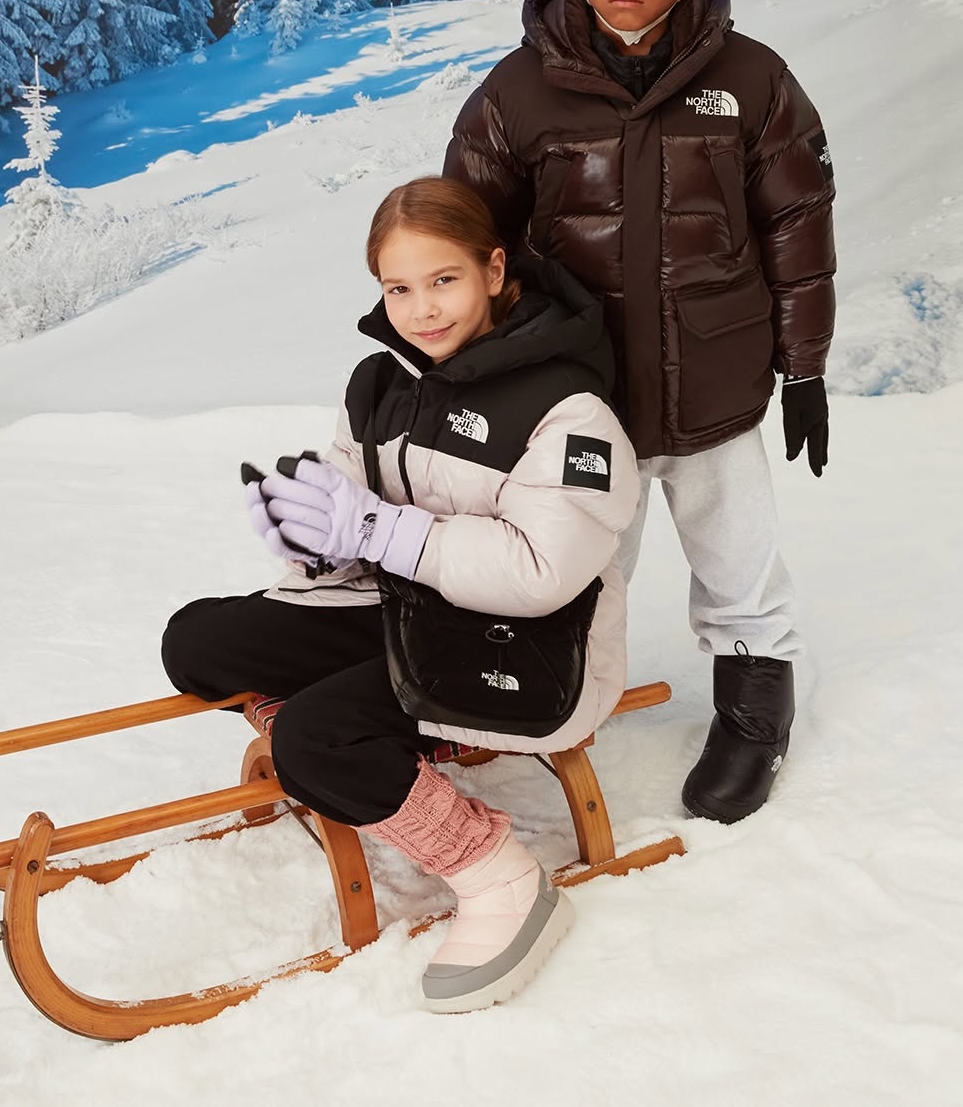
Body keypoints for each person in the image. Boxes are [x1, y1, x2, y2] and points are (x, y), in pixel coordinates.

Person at [161, 175, 639, 1013]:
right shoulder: (382, 385)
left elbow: (541, 573)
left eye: (444, 279)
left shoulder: (568, 410)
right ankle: (362, 738)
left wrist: (384, 533)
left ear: (494, 270)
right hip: (408, 611)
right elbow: (353, 499)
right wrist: (314, 537)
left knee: (312, 739)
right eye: (399, 288)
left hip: (528, 651)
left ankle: (497, 873)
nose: (422, 310)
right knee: (197, 641)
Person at [442, 0, 837, 825]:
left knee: (737, 552)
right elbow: (467, 239)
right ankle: (545, 690)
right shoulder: (516, 93)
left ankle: (755, 705)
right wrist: (460, 366)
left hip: (716, 383)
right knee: (575, 559)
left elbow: (797, 220)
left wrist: (805, 367)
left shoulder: (751, 82)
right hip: (582, 398)